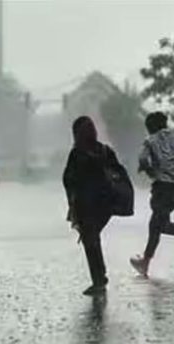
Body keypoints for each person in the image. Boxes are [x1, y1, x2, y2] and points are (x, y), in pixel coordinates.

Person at [130, 111, 174, 277]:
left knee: (157, 225)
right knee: (156, 224)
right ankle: (145, 263)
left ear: (151, 127)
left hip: (161, 188)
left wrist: (150, 172)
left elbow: (142, 159)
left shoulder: (150, 140)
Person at [63, 116, 123, 296]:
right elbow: (119, 172)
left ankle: (99, 280)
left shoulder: (77, 153)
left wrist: (71, 202)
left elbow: (68, 180)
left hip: (85, 204)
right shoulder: (105, 151)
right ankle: (100, 278)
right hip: (105, 204)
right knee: (93, 238)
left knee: (90, 241)